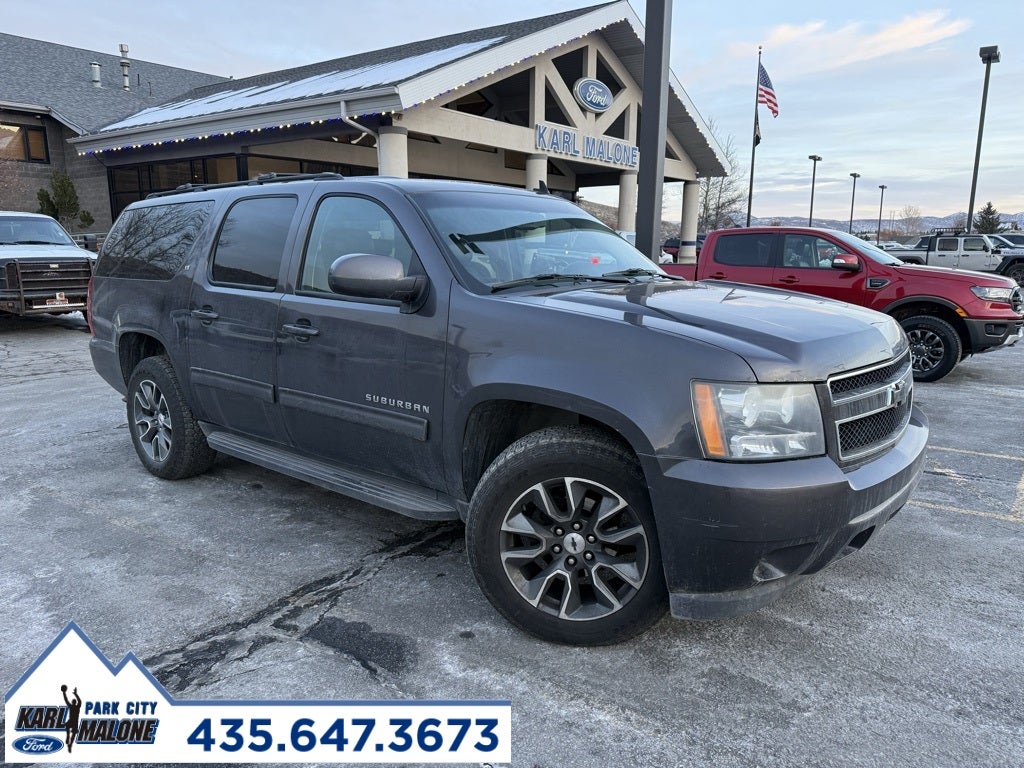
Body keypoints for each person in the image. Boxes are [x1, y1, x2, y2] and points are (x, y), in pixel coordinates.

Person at [61, 684, 81, 753]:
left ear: (73, 702)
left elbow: (66, 700)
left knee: (68, 727)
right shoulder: (77, 707)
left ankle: (68, 737)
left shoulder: (72, 706)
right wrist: (76, 694)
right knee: (73, 733)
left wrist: (64, 693)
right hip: (74, 722)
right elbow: (79, 701)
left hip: (72, 721)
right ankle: (69, 743)